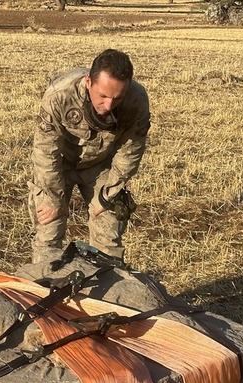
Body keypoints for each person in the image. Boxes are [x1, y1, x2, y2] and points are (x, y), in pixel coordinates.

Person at [28, 49, 151, 264]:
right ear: (88, 82)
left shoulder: (136, 100)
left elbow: (130, 151)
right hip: (59, 165)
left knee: (109, 231)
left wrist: (107, 195)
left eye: (117, 98)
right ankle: (45, 286)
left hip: (100, 166)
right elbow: (46, 152)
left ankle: (106, 288)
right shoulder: (59, 95)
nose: (109, 106)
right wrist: (54, 199)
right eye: (102, 96)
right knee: (48, 229)